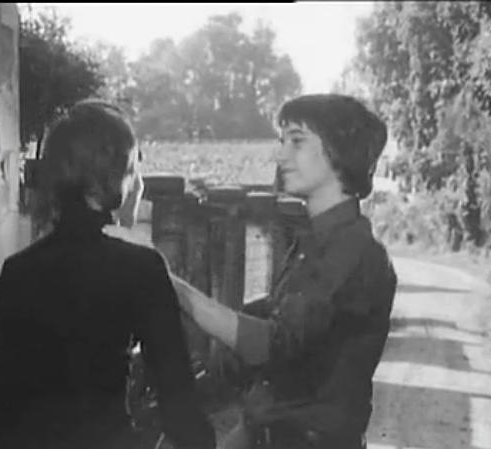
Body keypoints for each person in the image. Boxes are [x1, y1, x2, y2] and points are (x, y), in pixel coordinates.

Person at [104, 93, 398, 448]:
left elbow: (274, 345)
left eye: (296, 142)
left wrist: (166, 279)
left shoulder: (352, 252)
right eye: (281, 141)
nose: (280, 155)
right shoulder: (315, 243)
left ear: (339, 152)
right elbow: (259, 339)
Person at [0, 99, 216, 449]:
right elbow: (180, 406)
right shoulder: (140, 267)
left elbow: (1, 412)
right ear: (118, 179)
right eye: (134, 168)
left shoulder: (17, 269)